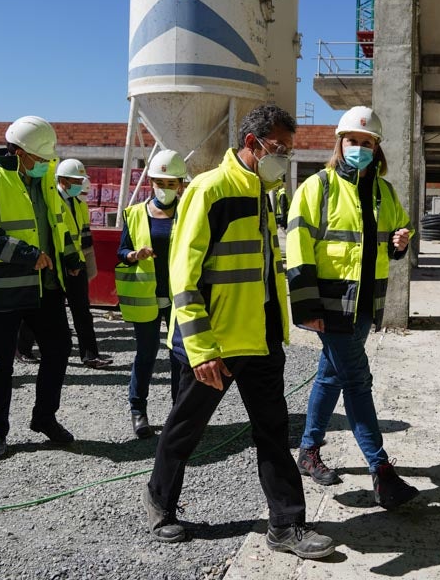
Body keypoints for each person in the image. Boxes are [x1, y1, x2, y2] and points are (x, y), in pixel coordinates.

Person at [142, 105, 334, 559]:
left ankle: (286, 526)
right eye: (279, 147)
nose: (283, 156)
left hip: (262, 340)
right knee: (184, 431)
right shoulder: (211, 189)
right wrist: (202, 347)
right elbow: (182, 276)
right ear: (253, 143)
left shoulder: (265, 193)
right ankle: (159, 502)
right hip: (215, 344)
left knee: (273, 432)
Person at [285, 106, 419, 509]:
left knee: (330, 378)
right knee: (358, 382)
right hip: (328, 305)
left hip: (365, 305)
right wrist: (307, 306)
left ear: (376, 148)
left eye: (367, 142)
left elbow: (400, 231)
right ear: (339, 144)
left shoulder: (385, 191)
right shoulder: (318, 188)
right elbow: (296, 248)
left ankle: (307, 452)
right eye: (353, 141)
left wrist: (401, 242)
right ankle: (381, 471)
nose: (359, 147)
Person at [0, 116, 83, 460]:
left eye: (47, 160)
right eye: (40, 159)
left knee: (58, 349)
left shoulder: (43, 183)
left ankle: (44, 417)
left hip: (44, 286)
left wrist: (71, 256)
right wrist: (28, 255)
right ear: (18, 152)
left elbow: (57, 224)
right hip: (2, 289)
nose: (45, 165)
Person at [116, 149, 186, 438]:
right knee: (146, 354)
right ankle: (138, 410)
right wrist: (134, 254)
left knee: (178, 357)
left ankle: (177, 412)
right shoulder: (134, 214)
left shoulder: (188, 213)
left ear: (180, 184)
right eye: (161, 182)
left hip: (178, 297)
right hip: (146, 296)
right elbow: (121, 252)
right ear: (151, 183)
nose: (166, 189)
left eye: (172, 184)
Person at [56, 159, 111, 369]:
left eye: (81, 180)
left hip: (76, 264)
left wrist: (87, 264)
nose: (80, 184)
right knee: (48, 309)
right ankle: (23, 349)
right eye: (76, 180)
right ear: (63, 181)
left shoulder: (79, 203)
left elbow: (85, 236)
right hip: (58, 263)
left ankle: (90, 355)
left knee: (82, 311)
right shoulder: (54, 202)